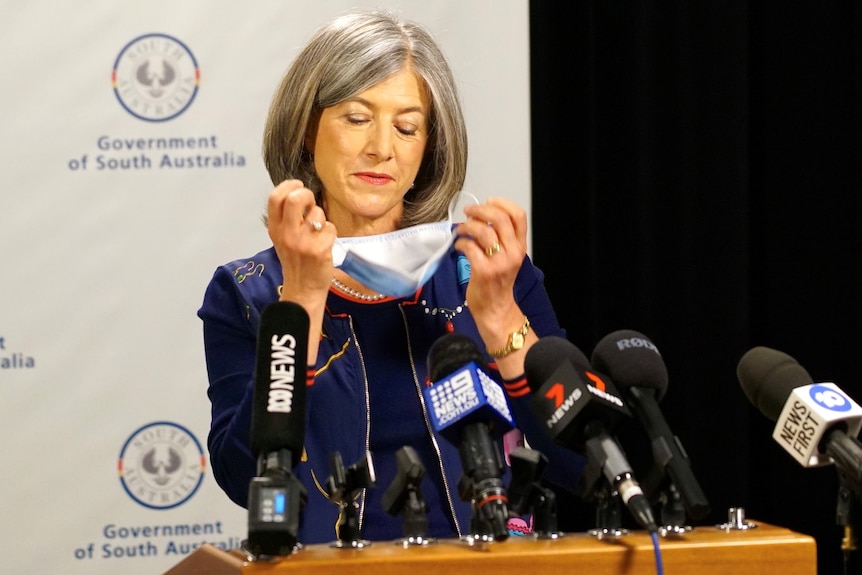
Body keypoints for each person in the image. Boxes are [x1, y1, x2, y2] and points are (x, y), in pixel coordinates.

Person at [198, 8, 584, 546]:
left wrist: (501, 320)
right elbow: (244, 475)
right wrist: (303, 303)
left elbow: (580, 463)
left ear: (428, 147)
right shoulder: (249, 291)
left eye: (407, 126)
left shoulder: (486, 268)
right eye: (357, 118)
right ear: (308, 129)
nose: (382, 147)